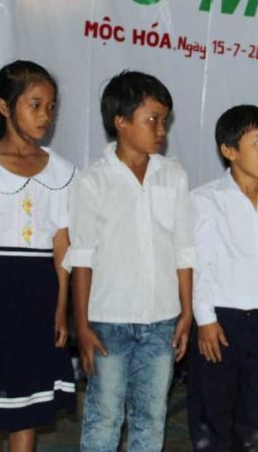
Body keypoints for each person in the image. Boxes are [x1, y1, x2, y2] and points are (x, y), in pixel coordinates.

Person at [66, 71, 195, 451]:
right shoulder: (92, 181)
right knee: (105, 417)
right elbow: (82, 258)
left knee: (151, 417)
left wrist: (186, 312)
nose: (161, 129)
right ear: (120, 121)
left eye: (165, 120)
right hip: (108, 322)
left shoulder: (173, 175)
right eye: (152, 119)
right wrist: (82, 325)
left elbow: (184, 248)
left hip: (162, 319)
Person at [186, 104, 258, 451]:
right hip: (221, 321)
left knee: (254, 416)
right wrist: (205, 320)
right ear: (229, 150)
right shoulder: (205, 200)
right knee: (213, 411)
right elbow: (200, 265)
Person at [0, 61, 76, 452]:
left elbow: (62, 245)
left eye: (51, 107)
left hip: (39, 296)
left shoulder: (62, 172)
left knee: (28, 402)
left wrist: (61, 308)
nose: (45, 116)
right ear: (5, 107)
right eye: (35, 105)